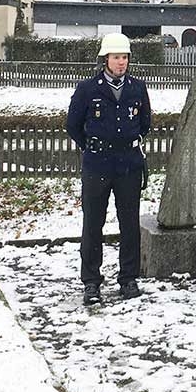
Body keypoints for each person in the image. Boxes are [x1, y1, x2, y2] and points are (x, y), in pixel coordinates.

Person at [66, 33, 152, 305]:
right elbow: (73, 125)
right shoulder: (88, 89)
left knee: (129, 224)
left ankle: (128, 278)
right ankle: (91, 281)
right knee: (93, 223)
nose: (121, 62)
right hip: (97, 164)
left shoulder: (137, 88)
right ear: (105, 59)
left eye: (124, 57)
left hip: (128, 165)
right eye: (116, 57)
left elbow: (145, 123)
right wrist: (93, 146)